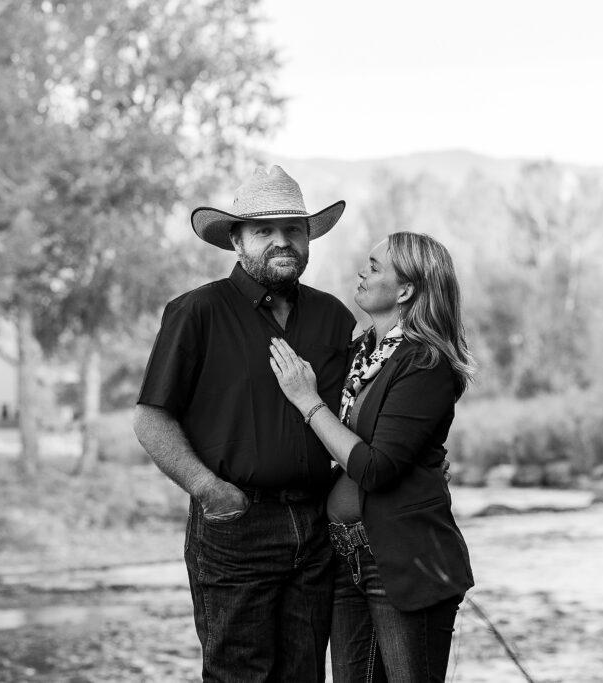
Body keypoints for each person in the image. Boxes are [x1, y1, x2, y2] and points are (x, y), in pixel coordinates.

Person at [132, 165, 356, 682]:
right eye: (265, 231)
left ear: (308, 238)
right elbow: (150, 418)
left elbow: (354, 416)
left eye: (294, 229)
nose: (283, 241)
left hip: (317, 526)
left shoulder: (333, 318)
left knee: (303, 675)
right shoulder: (197, 312)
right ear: (236, 240)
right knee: (239, 675)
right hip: (236, 525)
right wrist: (208, 488)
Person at [268, 231, 475, 683]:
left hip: (402, 561)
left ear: (405, 290)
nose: (363, 271)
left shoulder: (426, 363)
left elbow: (376, 469)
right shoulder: (362, 352)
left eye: (376, 266)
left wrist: (307, 402)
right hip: (346, 556)